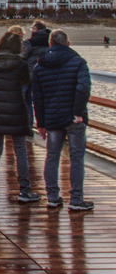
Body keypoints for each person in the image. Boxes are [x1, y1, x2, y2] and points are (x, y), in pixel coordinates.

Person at [32, 29, 93, 211]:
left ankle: (52, 197)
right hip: (74, 119)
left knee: (52, 156)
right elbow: (83, 88)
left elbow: (38, 98)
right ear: (67, 44)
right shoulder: (78, 62)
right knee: (76, 158)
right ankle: (76, 199)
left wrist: (41, 123)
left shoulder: (39, 66)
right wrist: (78, 112)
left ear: (50, 43)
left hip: (52, 118)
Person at [0, 31, 37, 203]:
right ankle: (24, 190)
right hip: (16, 110)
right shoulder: (20, 63)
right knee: (20, 150)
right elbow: (26, 82)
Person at [21, 20, 50, 126]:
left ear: (36, 29)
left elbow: (23, 55)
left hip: (27, 74)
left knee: (23, 98)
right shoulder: (49, 42)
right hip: (43, 74)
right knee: (37, 101)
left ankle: (24, 125)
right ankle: (37, 125)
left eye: (32, 28)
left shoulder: (30, 42)